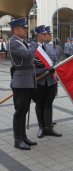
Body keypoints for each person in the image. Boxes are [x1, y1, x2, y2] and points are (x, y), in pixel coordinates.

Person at [7, 17, 39, 150]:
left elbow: (30, 58)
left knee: (24, 110)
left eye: (26, 28)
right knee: (20, 111)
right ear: (15, 30)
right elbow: (27, 55)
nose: (26, 30)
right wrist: (35, 43)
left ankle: (23, 137)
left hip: (27, 80)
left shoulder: (22, 42)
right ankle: (18, 140)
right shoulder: (13, 42)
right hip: (21, 82)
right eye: (23, 28)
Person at [32, 25, 62, 138]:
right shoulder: (32, 48)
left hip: (51, 82)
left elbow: (55, 61)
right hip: (39, 82)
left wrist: (55, 68)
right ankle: (41, 127)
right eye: (44, 34)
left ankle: (49, 127)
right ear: (38, 35)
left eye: (47, 34)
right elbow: (31, 68)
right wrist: (45, 70)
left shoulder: (49, 47)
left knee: (48, 104)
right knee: (39, 104)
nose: (46, 36)